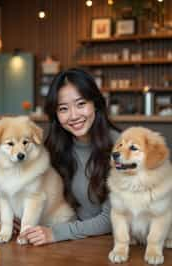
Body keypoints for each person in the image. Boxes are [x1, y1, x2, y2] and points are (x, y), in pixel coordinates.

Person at [19, 68, 120, 246]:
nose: (73, 116)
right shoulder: (55, 148)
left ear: (95, 103)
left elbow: (112, 219)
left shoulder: (120, 147)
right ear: (56, 115)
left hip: (117, 245)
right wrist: (26, 221)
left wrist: (56, 233)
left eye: (81, 104)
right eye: (63, 108)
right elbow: (49, 199)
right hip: (76, 244)